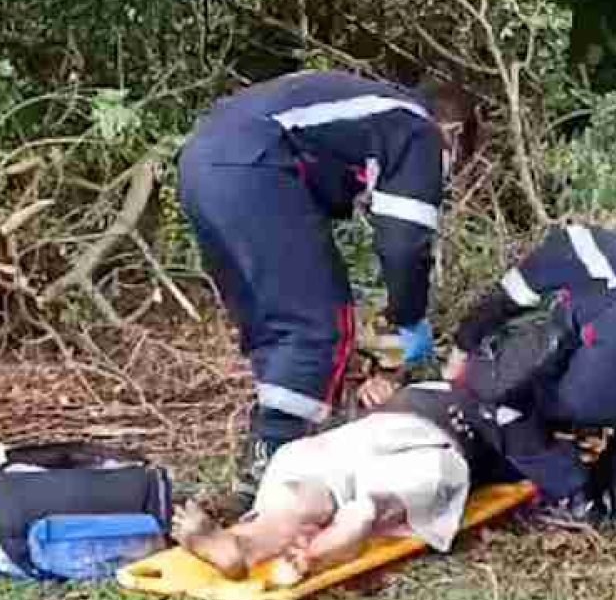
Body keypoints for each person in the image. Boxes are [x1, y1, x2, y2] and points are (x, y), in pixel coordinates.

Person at [178, 70, 478, 515]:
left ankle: (263, 462)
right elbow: (404, 245)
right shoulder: (418, 129)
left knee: (275, 327)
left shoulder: (369, 111)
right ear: (452, 132)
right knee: (320, 329)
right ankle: (273, 479)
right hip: (256, 163)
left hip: (202, 160)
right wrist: (409, 318)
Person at [172, 353, 592, 581]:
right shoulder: (456, 380)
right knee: (347, 487)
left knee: (314, 487)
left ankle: (265, 541)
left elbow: (551, 467)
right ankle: (321, 533)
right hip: (407, 435)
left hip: (420, 434)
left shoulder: (511, 406)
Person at [452, 223, 616, 539]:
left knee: (489, 392)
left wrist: (461, 348)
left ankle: (575, 496)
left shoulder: (577, 240)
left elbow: (506, 299)